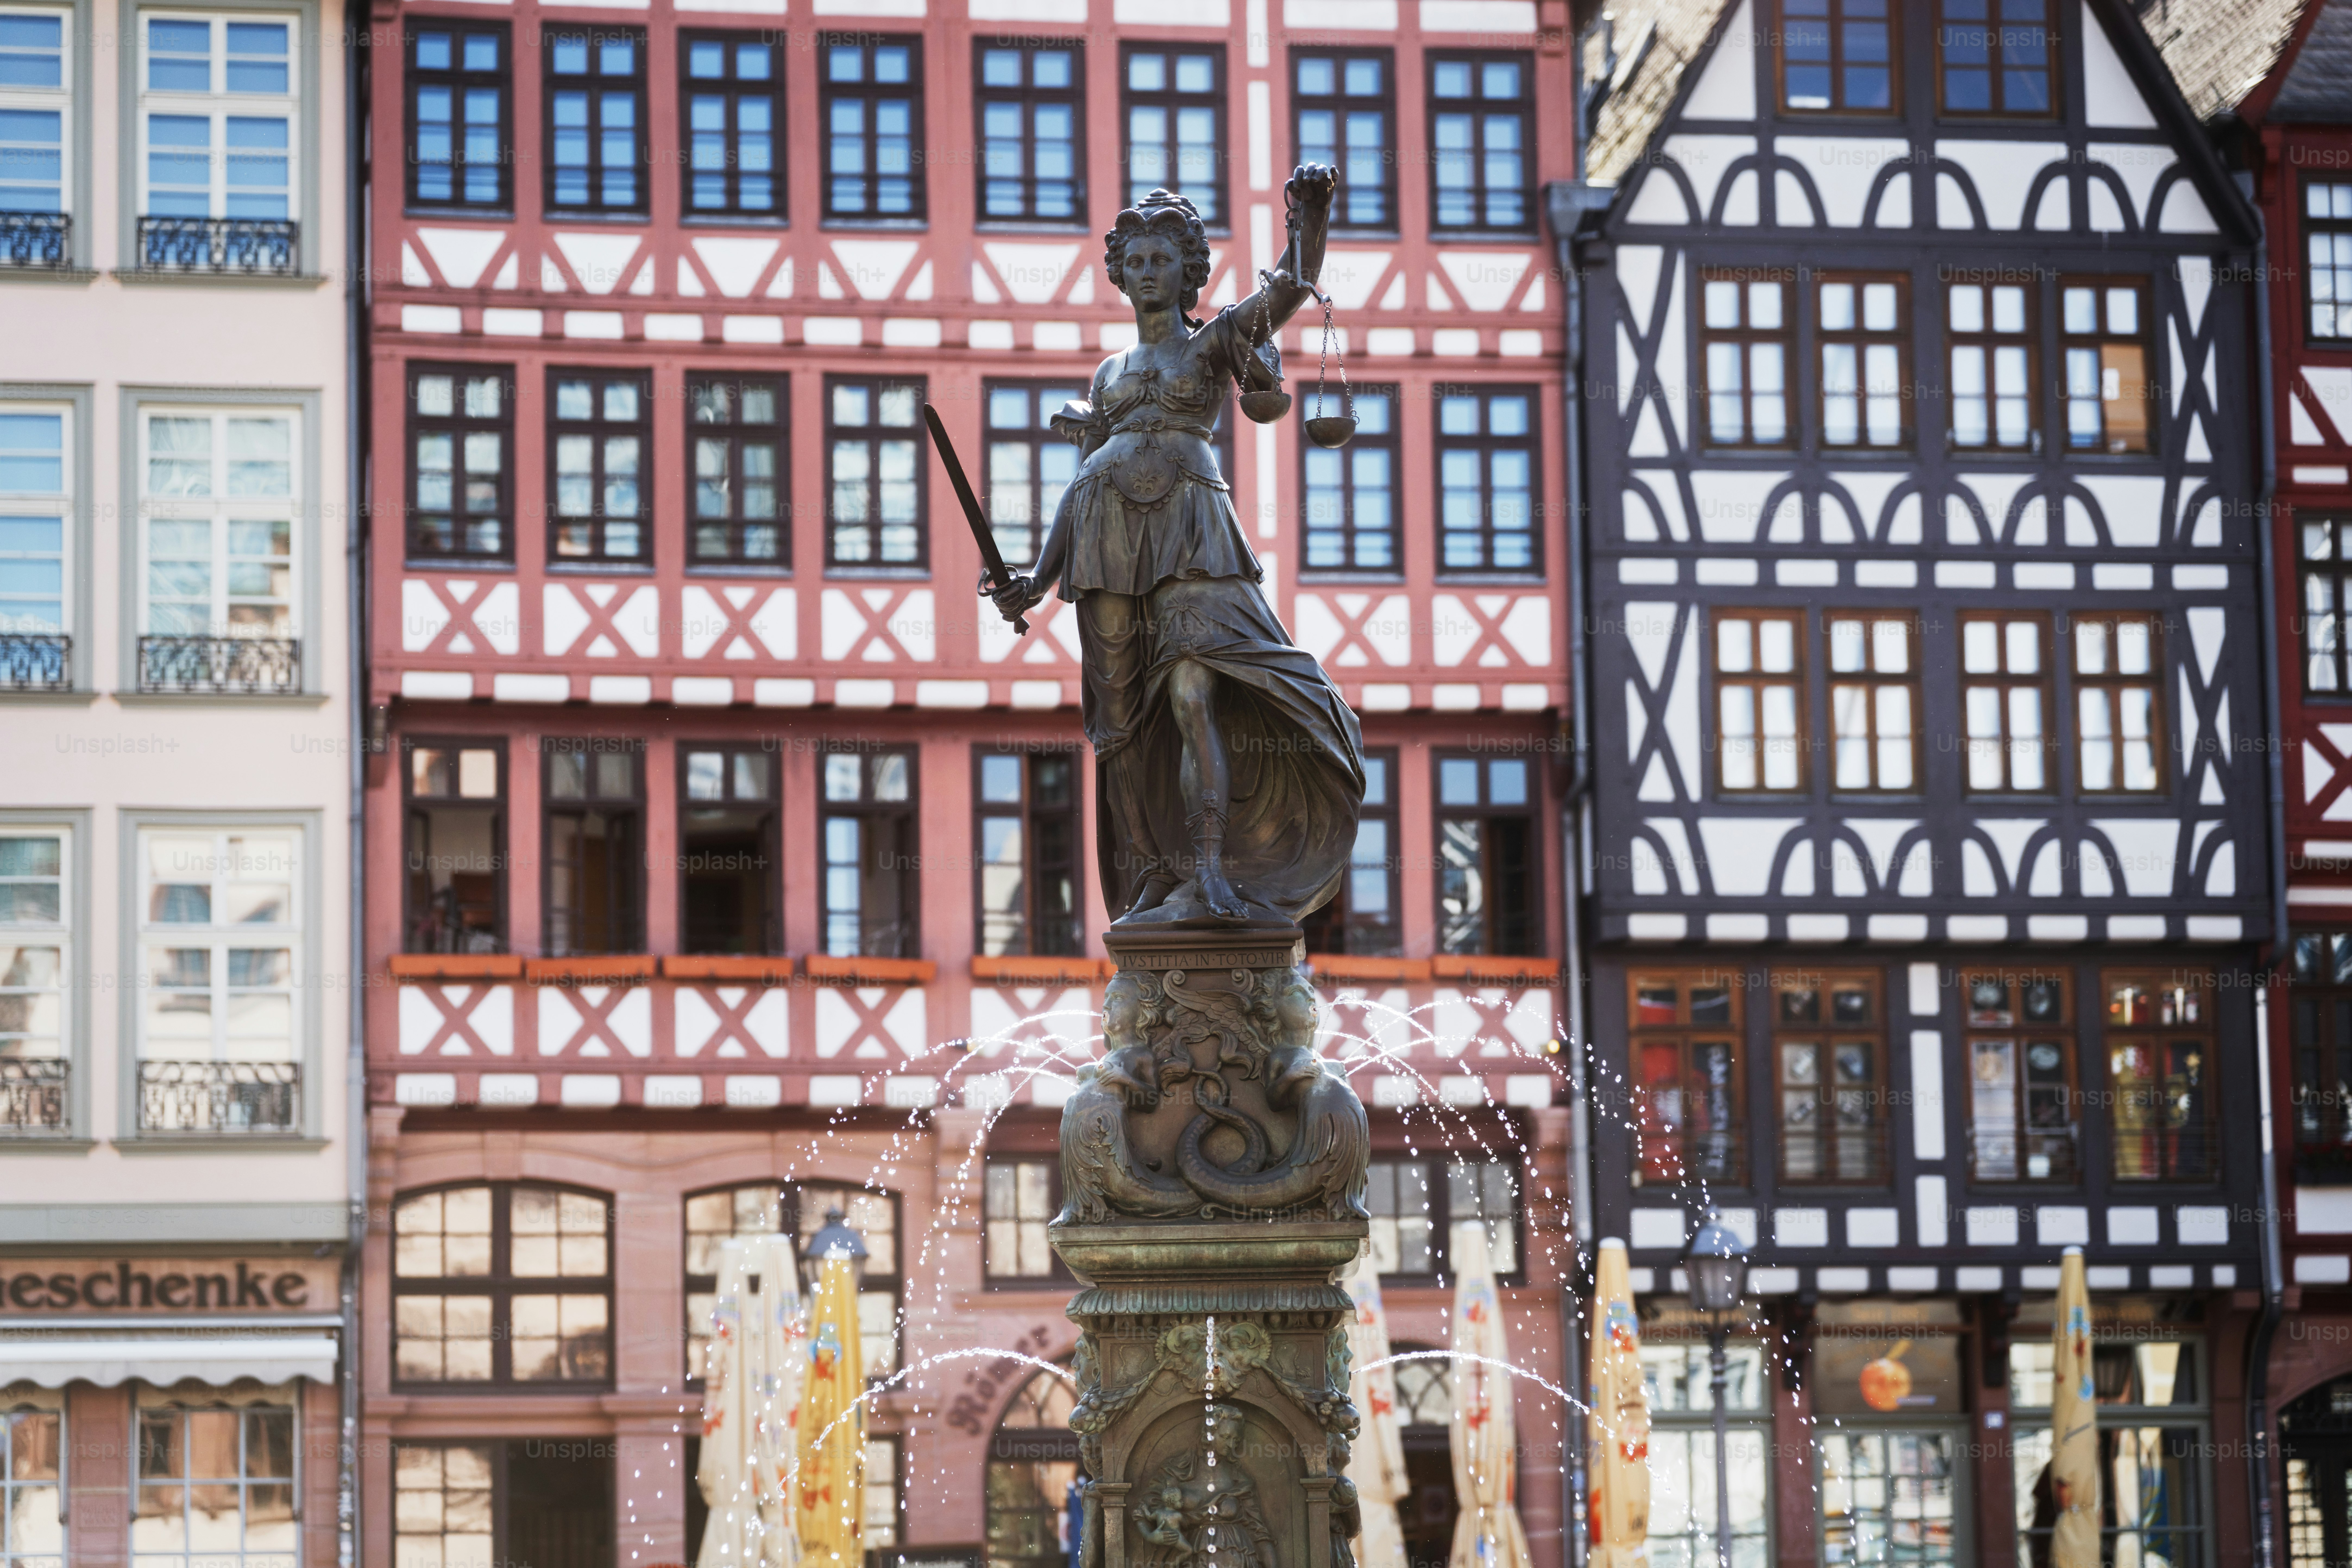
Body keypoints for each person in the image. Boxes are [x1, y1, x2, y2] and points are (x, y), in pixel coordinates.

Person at [985, 167, 1366, 926]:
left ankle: (1211, 871)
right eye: (1136, 261)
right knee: (1120, 730)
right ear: (1121, 275)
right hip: (1103, 542)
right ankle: (1154, 874)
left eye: (1163, 259)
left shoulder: (1217, 339)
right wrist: (1038, 575)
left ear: (1188, 271)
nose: (1148, 272)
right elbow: (1085, 477)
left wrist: (1310, 219)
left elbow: (1290, 290)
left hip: (1192, 535)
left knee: (1195, 693)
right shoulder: (1108, 373)